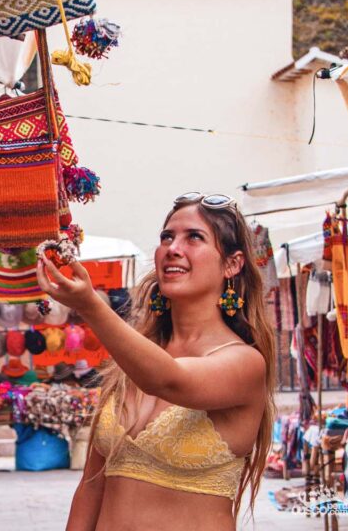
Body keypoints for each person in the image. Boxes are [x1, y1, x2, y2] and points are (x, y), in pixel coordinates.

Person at [37, 193, 275, 531]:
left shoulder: (245, 363)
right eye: (167, 236)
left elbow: (170, 381)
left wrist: (90, 305)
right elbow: (91, 486)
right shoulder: (133, 360)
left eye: (194, 237)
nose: (173, 248)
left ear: (232, 264)